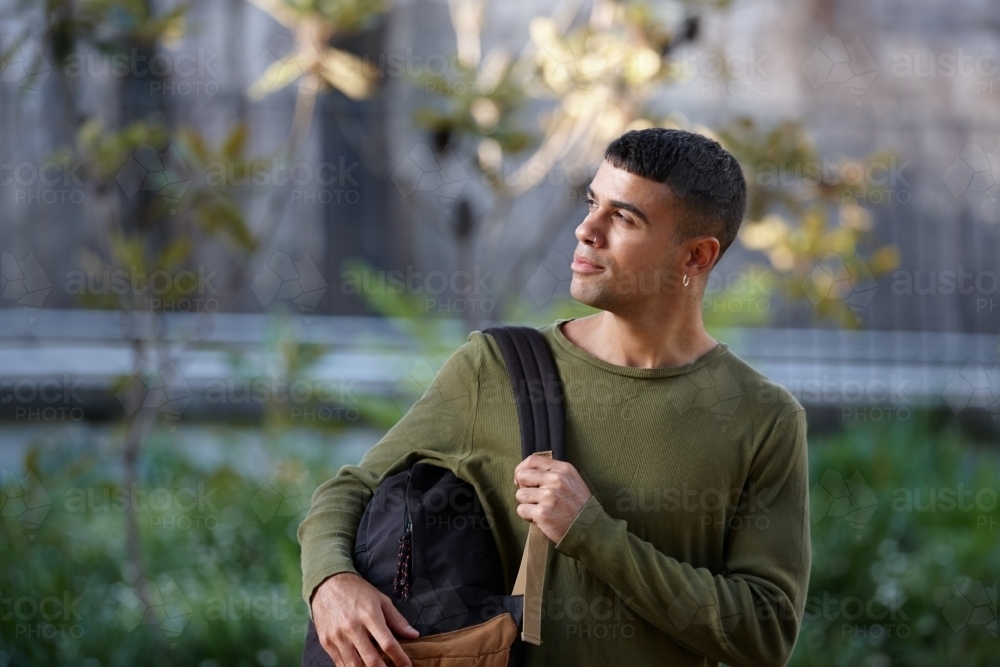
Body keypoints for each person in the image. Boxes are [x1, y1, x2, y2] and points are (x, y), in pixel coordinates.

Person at [299, 128, 810, 667]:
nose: (586, 230)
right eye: (593, 203)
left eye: (624, 217)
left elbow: (766, 630)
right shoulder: (495, 369)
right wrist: (330, 583)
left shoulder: (763, 419)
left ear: (696, 257)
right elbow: (349, 490)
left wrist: (592, 532)